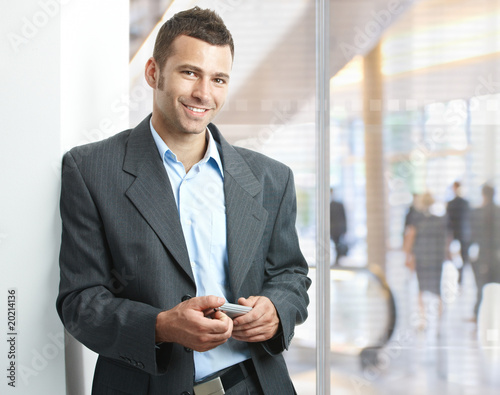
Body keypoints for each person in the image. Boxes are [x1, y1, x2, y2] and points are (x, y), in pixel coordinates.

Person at [56, 7, 311, 395]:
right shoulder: (90, 169)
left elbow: (291, 275)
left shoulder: (270, 178)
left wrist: (276, 311)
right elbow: (80, 302)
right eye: (190, 72)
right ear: (153, 73)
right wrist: (161, 325)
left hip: (254, 383)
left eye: (218, 79)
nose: (203, 94)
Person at [403, 192, 447, 329]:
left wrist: (407, 256)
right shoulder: (440, 220)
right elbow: (445, 240)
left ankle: (422, 321)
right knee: (437, 289)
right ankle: (439, 322)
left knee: (421, 289)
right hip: (436, 258)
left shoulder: (416, 219)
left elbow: (410, 237)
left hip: (422, 257)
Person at [470, 184, 500, 319]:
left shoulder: (479, 213)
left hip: (484, 255)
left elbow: (476, 235)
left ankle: (477, 314)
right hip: (495, 255)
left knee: (481, 286)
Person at [446, 181, 471, 284]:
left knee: (458, 256)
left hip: (457, 234)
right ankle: (460, 274)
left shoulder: (452, 204)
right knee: (461, 256)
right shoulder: (465, 203)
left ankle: (460, 274)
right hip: (463, 233)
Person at [330, 188, 348, 265]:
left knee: (338, 244)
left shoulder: (338, 204)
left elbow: (344, 217)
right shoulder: (328, 206)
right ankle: (337, 259)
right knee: (336, 244)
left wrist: (344, 230)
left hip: (337, 229)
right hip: (333, 230)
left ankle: (338, 259)